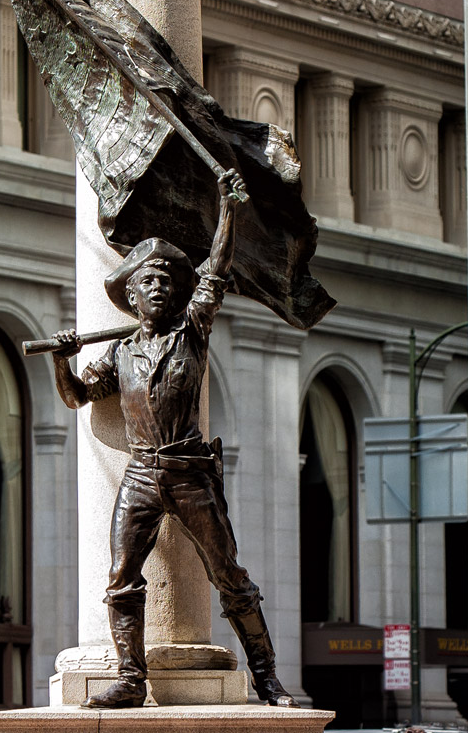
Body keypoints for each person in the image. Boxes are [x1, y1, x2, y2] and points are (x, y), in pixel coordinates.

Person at [52, 169, 300, 710]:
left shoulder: (193, 330)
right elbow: (74, 397)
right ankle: (130, 678)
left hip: (189, 472)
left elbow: (217, 268)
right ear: (133, 296)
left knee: (229, 575)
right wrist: (59, 357)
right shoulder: (120, 355)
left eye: (168, 278)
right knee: (121, 577)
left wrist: (229, 208)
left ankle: (267, 678)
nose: (159, 284)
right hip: (141, 474)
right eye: (148, 280)